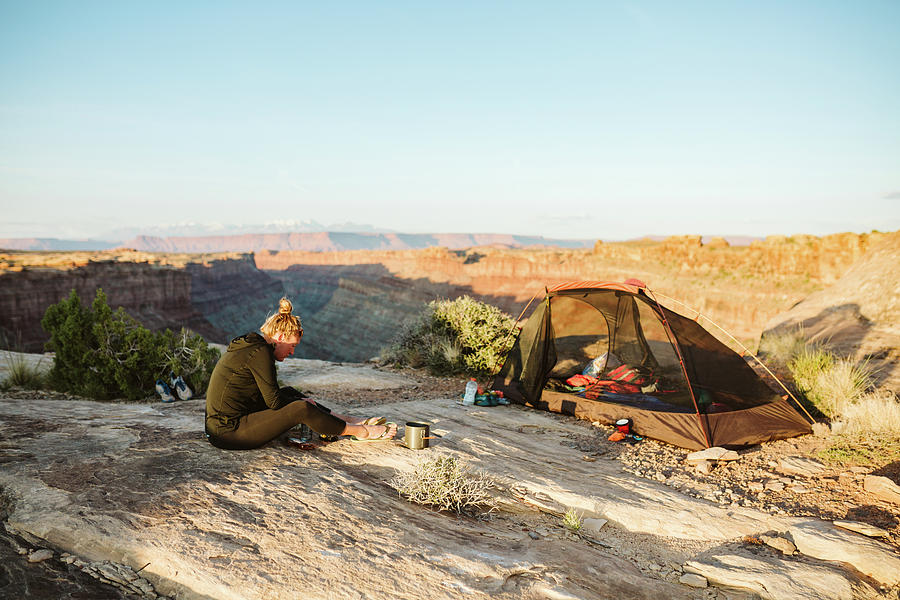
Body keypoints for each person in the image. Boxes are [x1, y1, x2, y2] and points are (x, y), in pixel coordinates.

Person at [205, 297, 397, 450]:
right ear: (280, 337)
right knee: (300, 409)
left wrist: (300, 402)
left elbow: (271, 397)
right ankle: (360, 431)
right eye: (292, 345)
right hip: (228, 432)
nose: (292, 352)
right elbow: (274, 403)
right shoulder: (260, 352)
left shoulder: (253, 345)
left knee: (289, 393)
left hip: (225, 425)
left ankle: (347, 420)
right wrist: (303, 405)